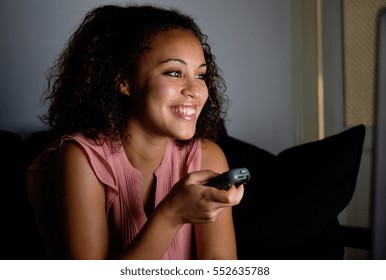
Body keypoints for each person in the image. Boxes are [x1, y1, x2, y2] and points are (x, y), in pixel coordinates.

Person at [26, 4, 244, 260]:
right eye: (175, 72)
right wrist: (171, 215)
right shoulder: (80, 159)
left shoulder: (208, 156)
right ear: (124, 81)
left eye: (200, 75)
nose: (196, 91)